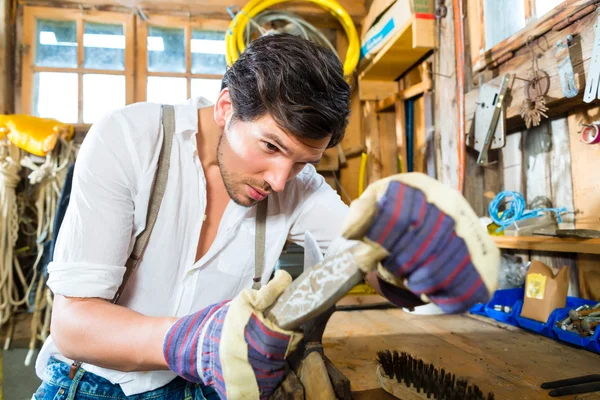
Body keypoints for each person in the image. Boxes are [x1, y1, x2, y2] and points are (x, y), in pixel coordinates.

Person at [33, 33, 499, 400]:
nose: (280, 180)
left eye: (301, 161)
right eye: (271, 147)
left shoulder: (299, 185)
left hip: (207, 391)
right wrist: (190, 341)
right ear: (226, 108)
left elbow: (360, 251)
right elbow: (73, 325)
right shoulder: (131, 140)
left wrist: (411, 268)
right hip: (94, 385)